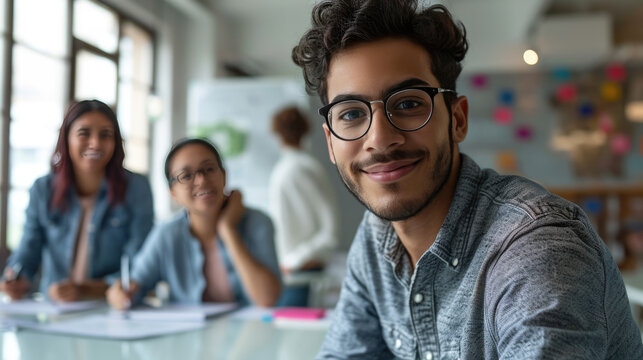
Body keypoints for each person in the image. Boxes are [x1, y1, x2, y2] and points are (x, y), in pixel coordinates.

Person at [292, 0, 643, 358]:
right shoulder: (377, 236)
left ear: (457, 120)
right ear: (331, 144)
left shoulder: (538, 249)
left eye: (409, 104)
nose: (379, 139)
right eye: (351, 113)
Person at [0, 99, 154, 302]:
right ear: (66, 139)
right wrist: (16, 278)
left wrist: (87, 290)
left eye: (105, 135)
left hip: (112, 307)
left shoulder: (136, 188)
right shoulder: (43, 189)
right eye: (84, 133)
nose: (95, 143)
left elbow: (139, 263)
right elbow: (28, 249)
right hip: (54, 308)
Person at [107, 138, 281, 309]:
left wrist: (227, 230)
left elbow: (267, 299)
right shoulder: (166, 234)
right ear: (173, 192)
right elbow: (134, 285)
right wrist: (120, 294)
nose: (201, 180)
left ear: (224, 175)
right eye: (187, 175)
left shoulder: (258, 223)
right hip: (188, 336)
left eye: (209, 169)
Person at [269, 105, 340, 307]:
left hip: (301, 271)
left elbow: (329, 232)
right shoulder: (303, 166)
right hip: (294, 270)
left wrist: (292, 261)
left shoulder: (295, 169)